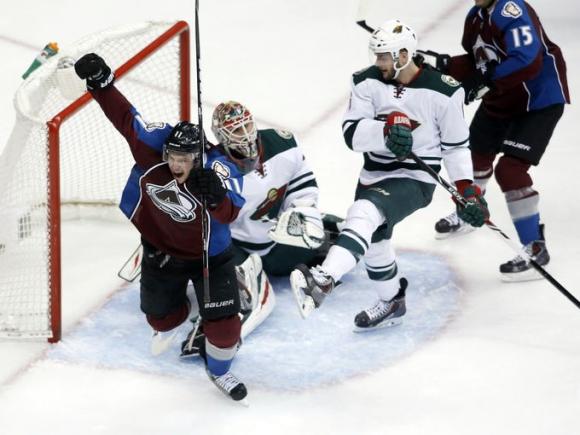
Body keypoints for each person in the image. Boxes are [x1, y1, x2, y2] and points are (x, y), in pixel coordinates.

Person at [290, 19, 489, 329]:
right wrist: (385, 132)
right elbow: (352, 133)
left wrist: (467, 190)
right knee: (376, 239)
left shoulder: (444, 92)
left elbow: (456, 148)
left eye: (384, 56)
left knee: (363, 212)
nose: (378, 62)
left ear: (404, 55)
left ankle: (324, 280)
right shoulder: (366, 82)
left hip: (416, 178)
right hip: (374, 172)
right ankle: (392, 300)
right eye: (377, 56)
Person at [74, 53, 248, 402]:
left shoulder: (218, 169)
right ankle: (197, 306)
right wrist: (101, 84)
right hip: (161, 248)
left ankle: (220, 372)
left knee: (226, 328)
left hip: (209, 257)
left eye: (183, 160)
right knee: (161, 321)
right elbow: (125, 118)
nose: (175, 164)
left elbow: (229, 214)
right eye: (172, 156)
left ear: (197, 158)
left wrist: (214, 196)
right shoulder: (153, 147)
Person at [420, 0, 569, 281]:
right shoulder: (475, 16)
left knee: (509, 171)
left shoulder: (511, 10)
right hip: (502, 99)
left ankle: (535, 247)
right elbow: (479, 61)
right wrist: (442, 65)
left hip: (538, 101)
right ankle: (469, 211)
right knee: (473, 155)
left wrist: (487, 81)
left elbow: (527, 59)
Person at [181, 100, 332, 354]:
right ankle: (215, 328)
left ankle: (326, 236)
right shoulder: (214, 168)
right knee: (242, 295)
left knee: (329, 237)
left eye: (247, 125)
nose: (245, 133)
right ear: (221, 135)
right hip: (237, 247)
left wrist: (298, 214)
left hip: (278, 242)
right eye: (236, 130)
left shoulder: (282, 142)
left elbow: (302, 183)